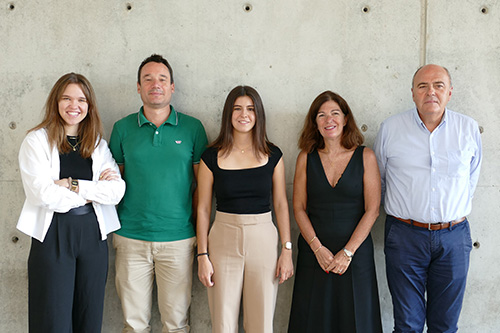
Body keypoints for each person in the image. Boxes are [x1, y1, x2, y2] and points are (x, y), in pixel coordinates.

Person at [373, 64, 482, 332]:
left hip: (454, 237)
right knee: (407, 324)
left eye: (438, 85)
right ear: (412, 93)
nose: (430, 91)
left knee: (445, 325)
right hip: (404, 236)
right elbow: (380, 181)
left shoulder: (467, 129)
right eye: (422, 86)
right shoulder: (390, 129)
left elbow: (471, 179)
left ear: (450, 92)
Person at [17, 73, 125, 332]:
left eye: (81, 100)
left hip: (92, 235)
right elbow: (41, 194)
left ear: (89, 106)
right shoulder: (36, 141)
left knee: (89, 317)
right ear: (56, 102)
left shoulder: (97, 144)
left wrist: (69, 183)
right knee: (52, 318)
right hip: (53, 234)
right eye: (66, 98)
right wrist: (93, 190)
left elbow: (116, 192)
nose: (73, 105)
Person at [109, 54, 208, 332]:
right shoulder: (121, 128)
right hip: (130, 238)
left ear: (172, 87)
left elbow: (203, 186)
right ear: (138, 87)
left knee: (176, 324)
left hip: (178, 240)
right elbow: (113, 183)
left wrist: (201, 241)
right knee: (133, 324)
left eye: (162, 79)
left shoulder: (193, 128)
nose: (156, 84)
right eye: (148, 79)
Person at [196, 85, 294, 333]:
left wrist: (286, 250)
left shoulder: (273, 155)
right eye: (237, 108)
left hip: (263, 240)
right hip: (222, 240)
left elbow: (281, 204)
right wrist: (202, 255)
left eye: (251, 109)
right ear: (229, 113)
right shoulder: (211, 156)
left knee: (261, 323)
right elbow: (204, 209)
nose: (244, 114)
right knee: (222, 322)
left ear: (258, 114)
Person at [288, 91, 382, 333]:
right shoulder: (305, 158)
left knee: (357, 320)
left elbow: (372, 210)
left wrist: (348, 252)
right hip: (314, 254)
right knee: (313, 320)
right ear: (315, 122)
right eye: (321, 115)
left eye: (334, 113)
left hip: (355, 255)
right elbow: (298, 208)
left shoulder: (366, 156)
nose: (328, 119)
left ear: (346, 118)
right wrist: (317, 248)